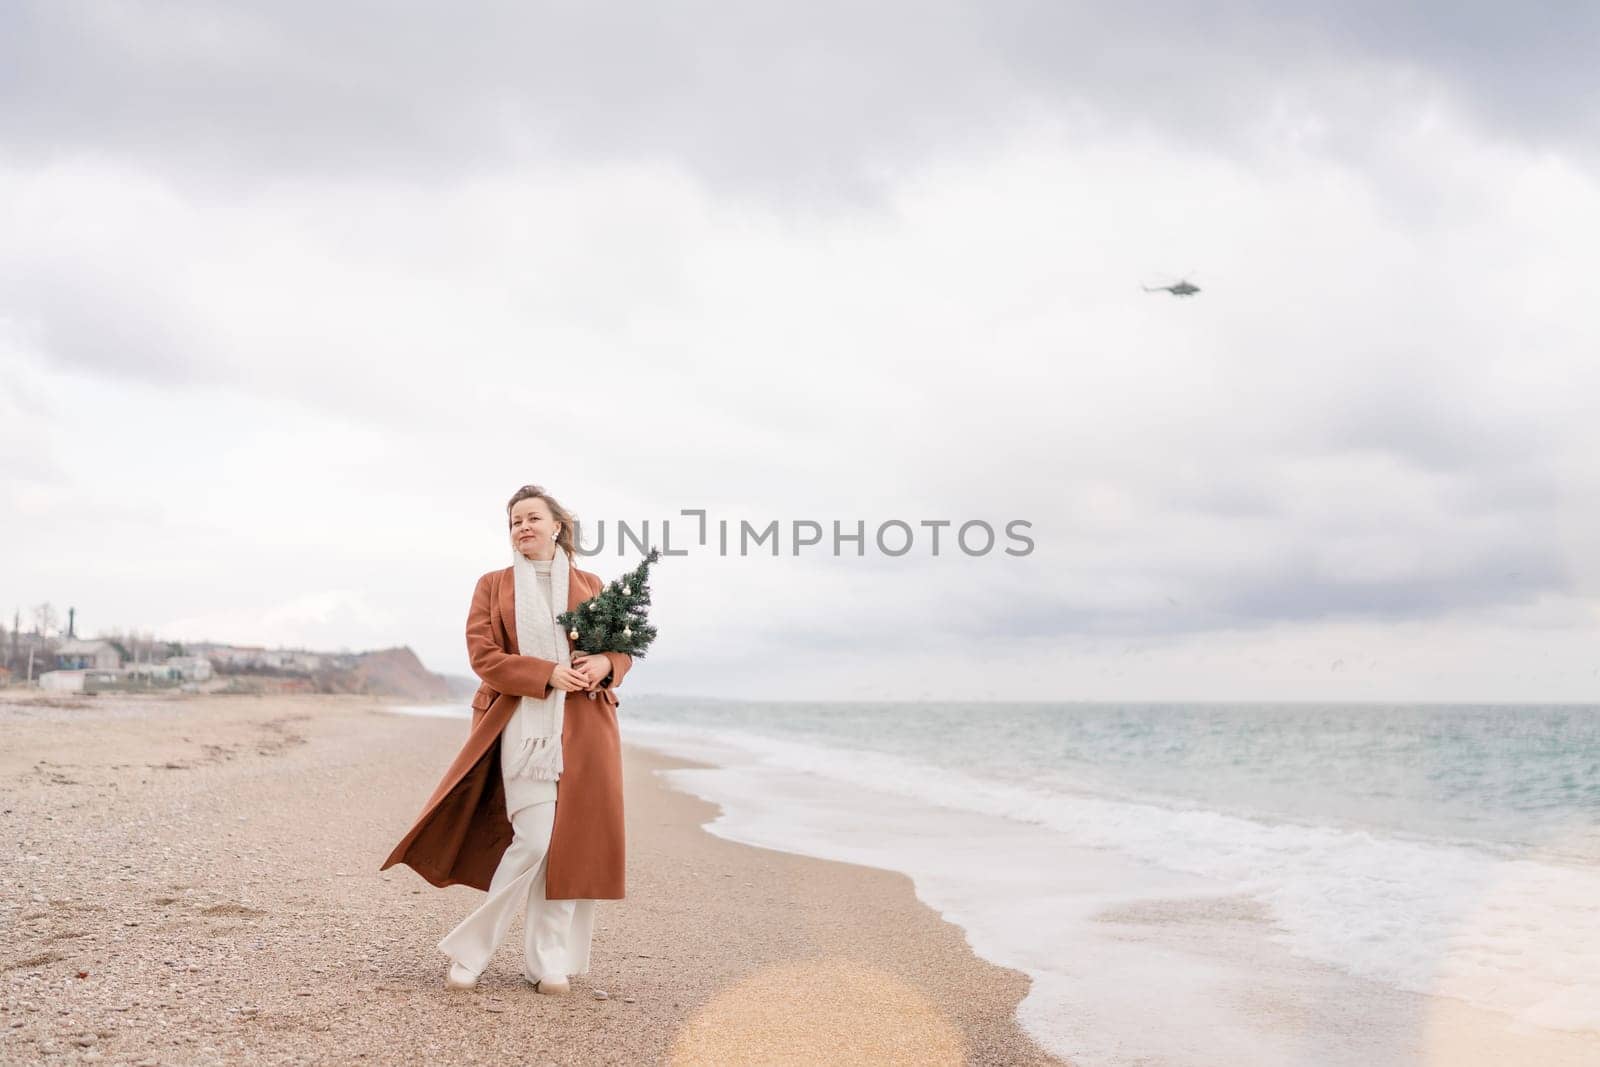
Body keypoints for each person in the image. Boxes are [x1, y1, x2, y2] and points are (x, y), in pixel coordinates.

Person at [381, 485, 635, 994]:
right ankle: (470, 951)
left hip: (586, 729)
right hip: (521, 726)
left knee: (570, 847)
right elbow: (484, 657)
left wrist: (607, 663)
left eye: (532, 517)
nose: (523, 527)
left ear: (557, 525)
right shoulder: (493, 585)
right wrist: (547, 674)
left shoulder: (592, 584)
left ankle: (548, 962)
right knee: (535, 840)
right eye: (515, 520)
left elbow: (621, 649)